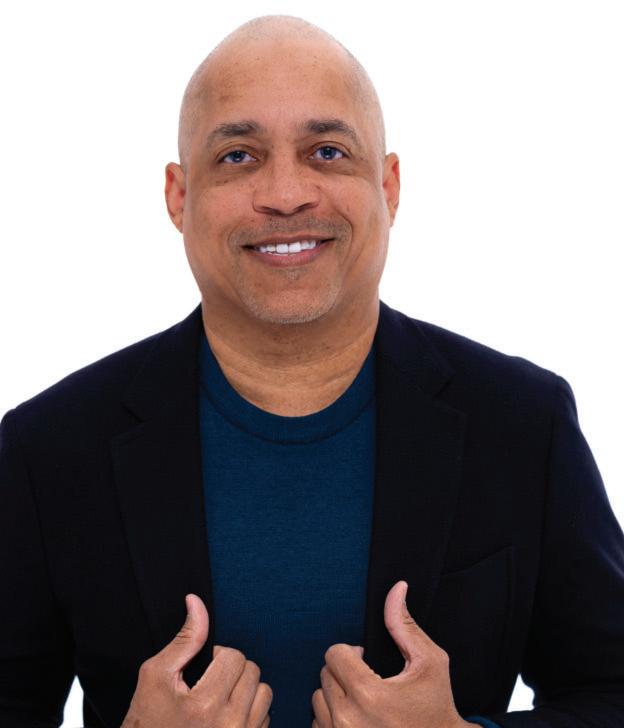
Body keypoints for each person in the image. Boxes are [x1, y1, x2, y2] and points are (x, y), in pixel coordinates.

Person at [1, 13, 623, 728]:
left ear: (389, 185)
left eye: (327, 152)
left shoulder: (523, 423)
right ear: (179, 196)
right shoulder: (50, 448)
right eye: (238, 156)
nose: (286, 193)